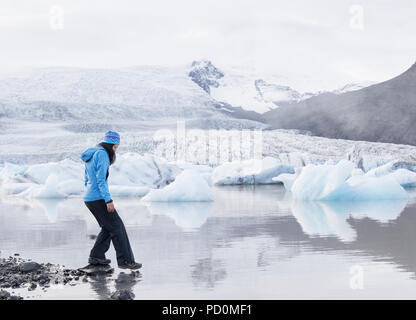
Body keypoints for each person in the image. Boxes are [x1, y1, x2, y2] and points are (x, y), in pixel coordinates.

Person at [81, 130, 141, 270]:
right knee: (117, 227)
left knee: (108, 227)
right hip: (98, 198)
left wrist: (90, 192)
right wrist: (108, 200)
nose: (116, 149)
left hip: (90, 198)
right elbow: (101, 180)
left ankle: (97, 257)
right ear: (111, 144)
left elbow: (86, 178)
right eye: (115, 146)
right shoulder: (102, 154)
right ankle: (126, 261)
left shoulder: (92, 154)